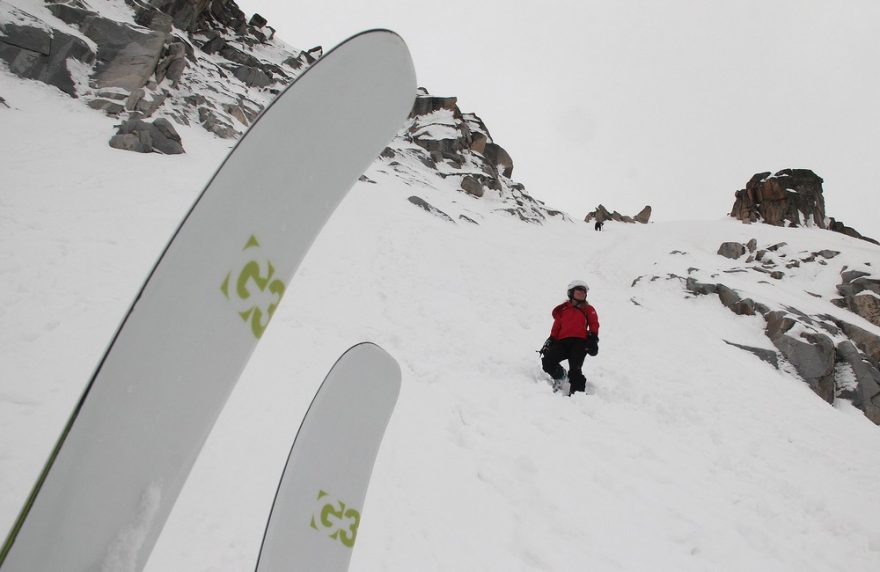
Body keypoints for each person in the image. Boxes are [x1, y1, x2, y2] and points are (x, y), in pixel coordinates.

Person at [540, 280, 600, 395]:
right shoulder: (563, 310)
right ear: (571, 294)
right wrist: (551, 339)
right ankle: (561, 376)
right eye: (578, 292)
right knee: (548, 361)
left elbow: (594, 324)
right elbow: (557, 326)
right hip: (562, 342)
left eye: (583, 293)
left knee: (575, 370)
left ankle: (578, 395)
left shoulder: (588, 309)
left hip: (580, 342)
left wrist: (593, 338)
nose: (581, 294)